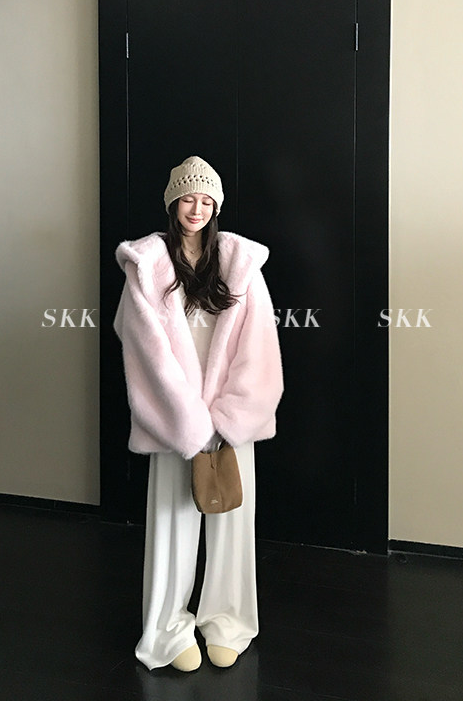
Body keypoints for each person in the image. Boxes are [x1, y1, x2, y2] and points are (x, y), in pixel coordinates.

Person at [113, 155, 283, 672]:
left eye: (207, 200)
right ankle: (167, 630)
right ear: (172, 203)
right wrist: (189, 423)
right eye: (188, 198)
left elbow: (259, 345)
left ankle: (228, 621)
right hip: (176, 422)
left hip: (231, 421)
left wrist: (230, 417)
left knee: (233, 525)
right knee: (171, 526)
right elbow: (143, 347)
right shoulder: (148, 265)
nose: (197, 209)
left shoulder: (239, 264)